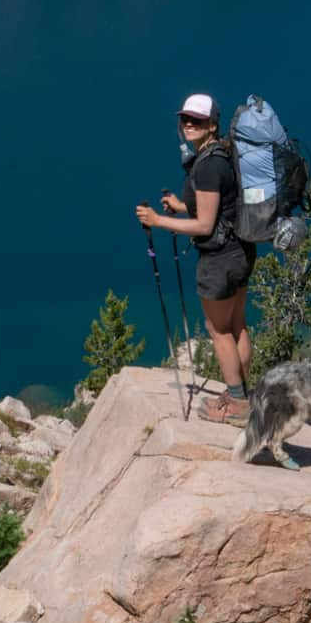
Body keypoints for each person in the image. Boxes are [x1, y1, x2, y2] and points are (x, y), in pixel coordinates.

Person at [134, 92, 250, 423]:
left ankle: (238, 405)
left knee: (219, 330)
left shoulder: (209, 165)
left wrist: (157, 221)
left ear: (212, 124)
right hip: (240, 250)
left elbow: (204, 224)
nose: (188, 124)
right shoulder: (224, 154)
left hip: (220, 259)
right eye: (185, 119)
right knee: (238, 324)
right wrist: (181, 206)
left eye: (196, 120)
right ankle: (242, 392)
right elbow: (218, 207)